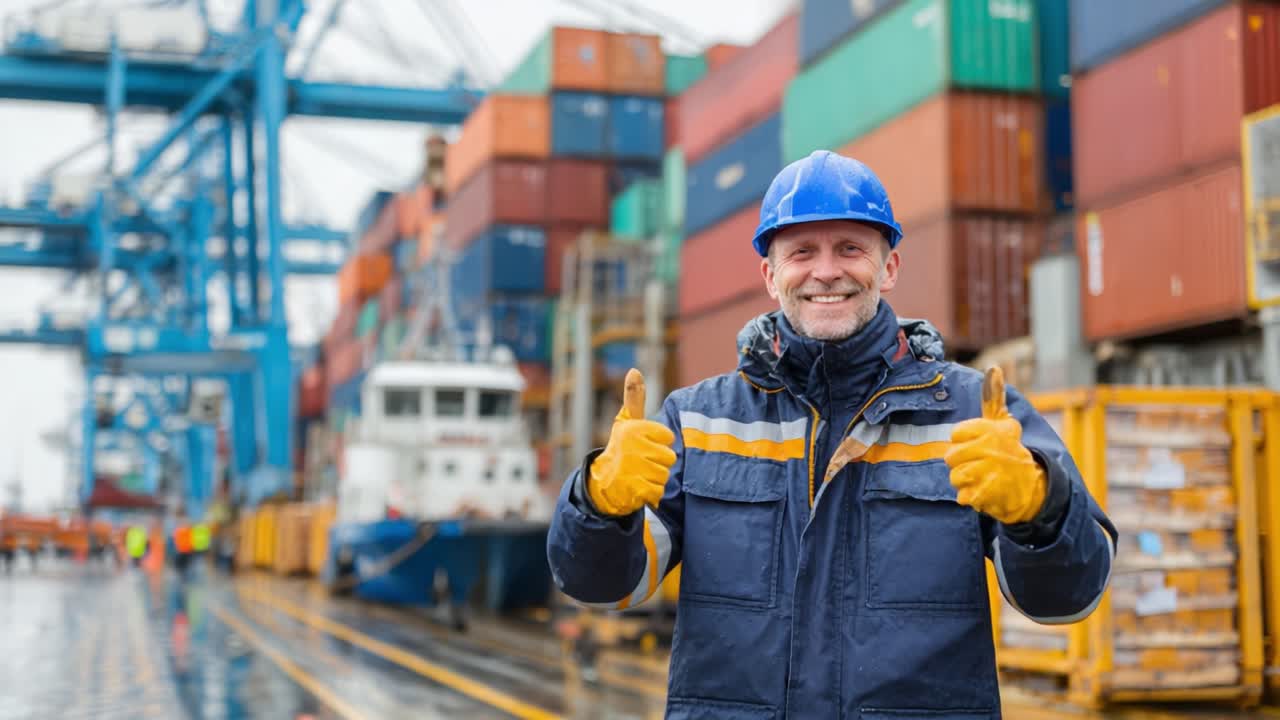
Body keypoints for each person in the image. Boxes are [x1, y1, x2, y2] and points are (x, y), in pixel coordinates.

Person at [547, 150, 1118, 718]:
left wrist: (1041, 511)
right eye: (801, 252)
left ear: (889, 268)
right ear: (770, 275)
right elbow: (602, 588)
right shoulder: (698, 421)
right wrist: (599, 507)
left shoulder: (975, 414)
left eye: (850, 249)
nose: (826, 271)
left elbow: (1069, 601)